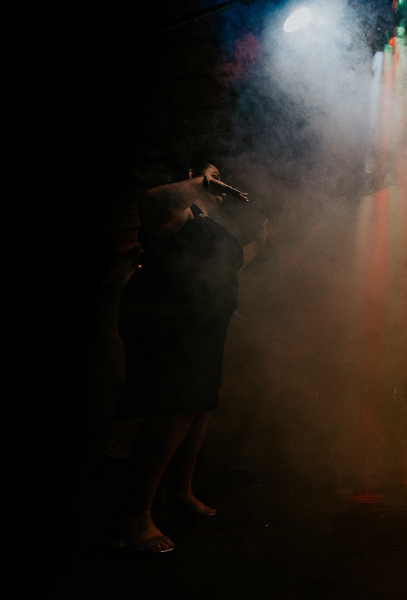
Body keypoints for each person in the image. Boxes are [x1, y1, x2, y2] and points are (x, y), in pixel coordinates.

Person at [116, 161, 270, 554]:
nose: (217, 183)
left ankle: (179, 491)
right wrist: (200, 183)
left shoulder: (201, 220)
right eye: (209, 175)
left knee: (199, 407)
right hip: (172, 327)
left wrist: (259, 244)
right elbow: (150, 201)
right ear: (186, 177)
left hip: (203, 327)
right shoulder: (171, 212)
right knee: (173, 409)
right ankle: (135, 518)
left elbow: (225, 269)